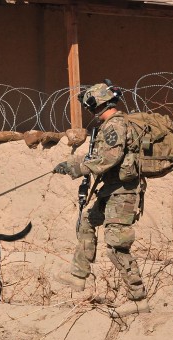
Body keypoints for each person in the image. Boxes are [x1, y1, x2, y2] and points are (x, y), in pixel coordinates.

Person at [53, 80, 149, 318]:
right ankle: (78, 275)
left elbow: (109, 159)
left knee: (117, 246)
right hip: (111, 189)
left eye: (90, 106)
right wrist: (71, 164)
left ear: (97, 104)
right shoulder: (110, 125)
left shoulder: (114, 126)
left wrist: (78, 169)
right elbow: (98, 156)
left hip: (123, 193)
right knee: (88, 221)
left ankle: (138, 299)